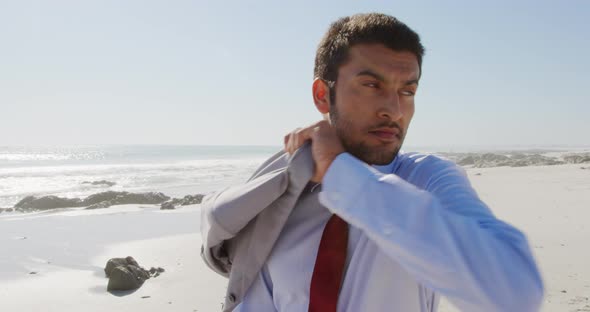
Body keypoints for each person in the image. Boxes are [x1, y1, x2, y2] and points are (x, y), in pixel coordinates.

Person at [201, 13, 544, 312]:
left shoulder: (427, 178)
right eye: (371, 84)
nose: (394, 110)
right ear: (323, 95)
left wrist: (343, 176)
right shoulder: (281, 192)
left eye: (407, 91)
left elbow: (515, 291)